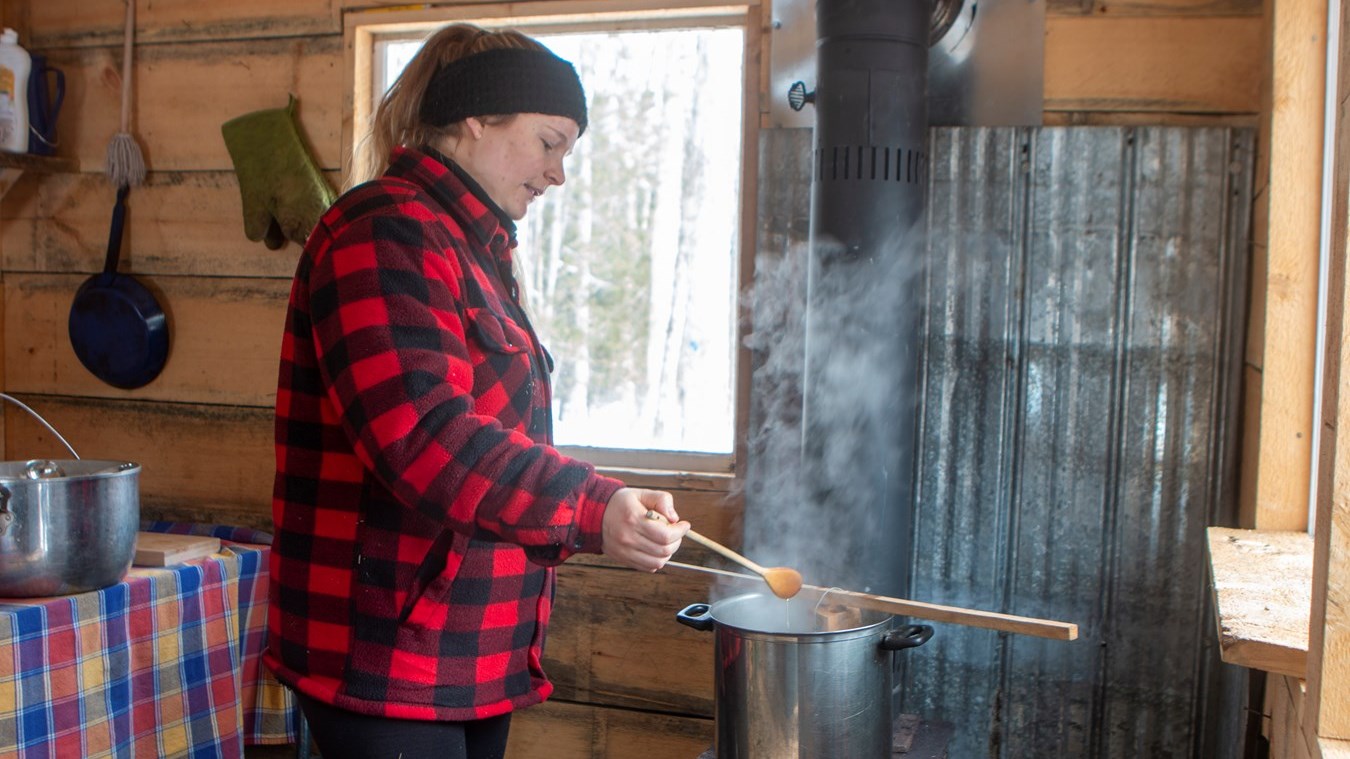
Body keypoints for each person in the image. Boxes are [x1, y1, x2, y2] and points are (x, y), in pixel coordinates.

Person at [265, 23, 690, 759]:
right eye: (549, 142)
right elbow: (424, 438)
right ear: (475, 117)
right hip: (389, 653)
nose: (559, 173)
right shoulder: (384, 232)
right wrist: (592, 505)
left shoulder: (474, 250)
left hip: (466, 650)